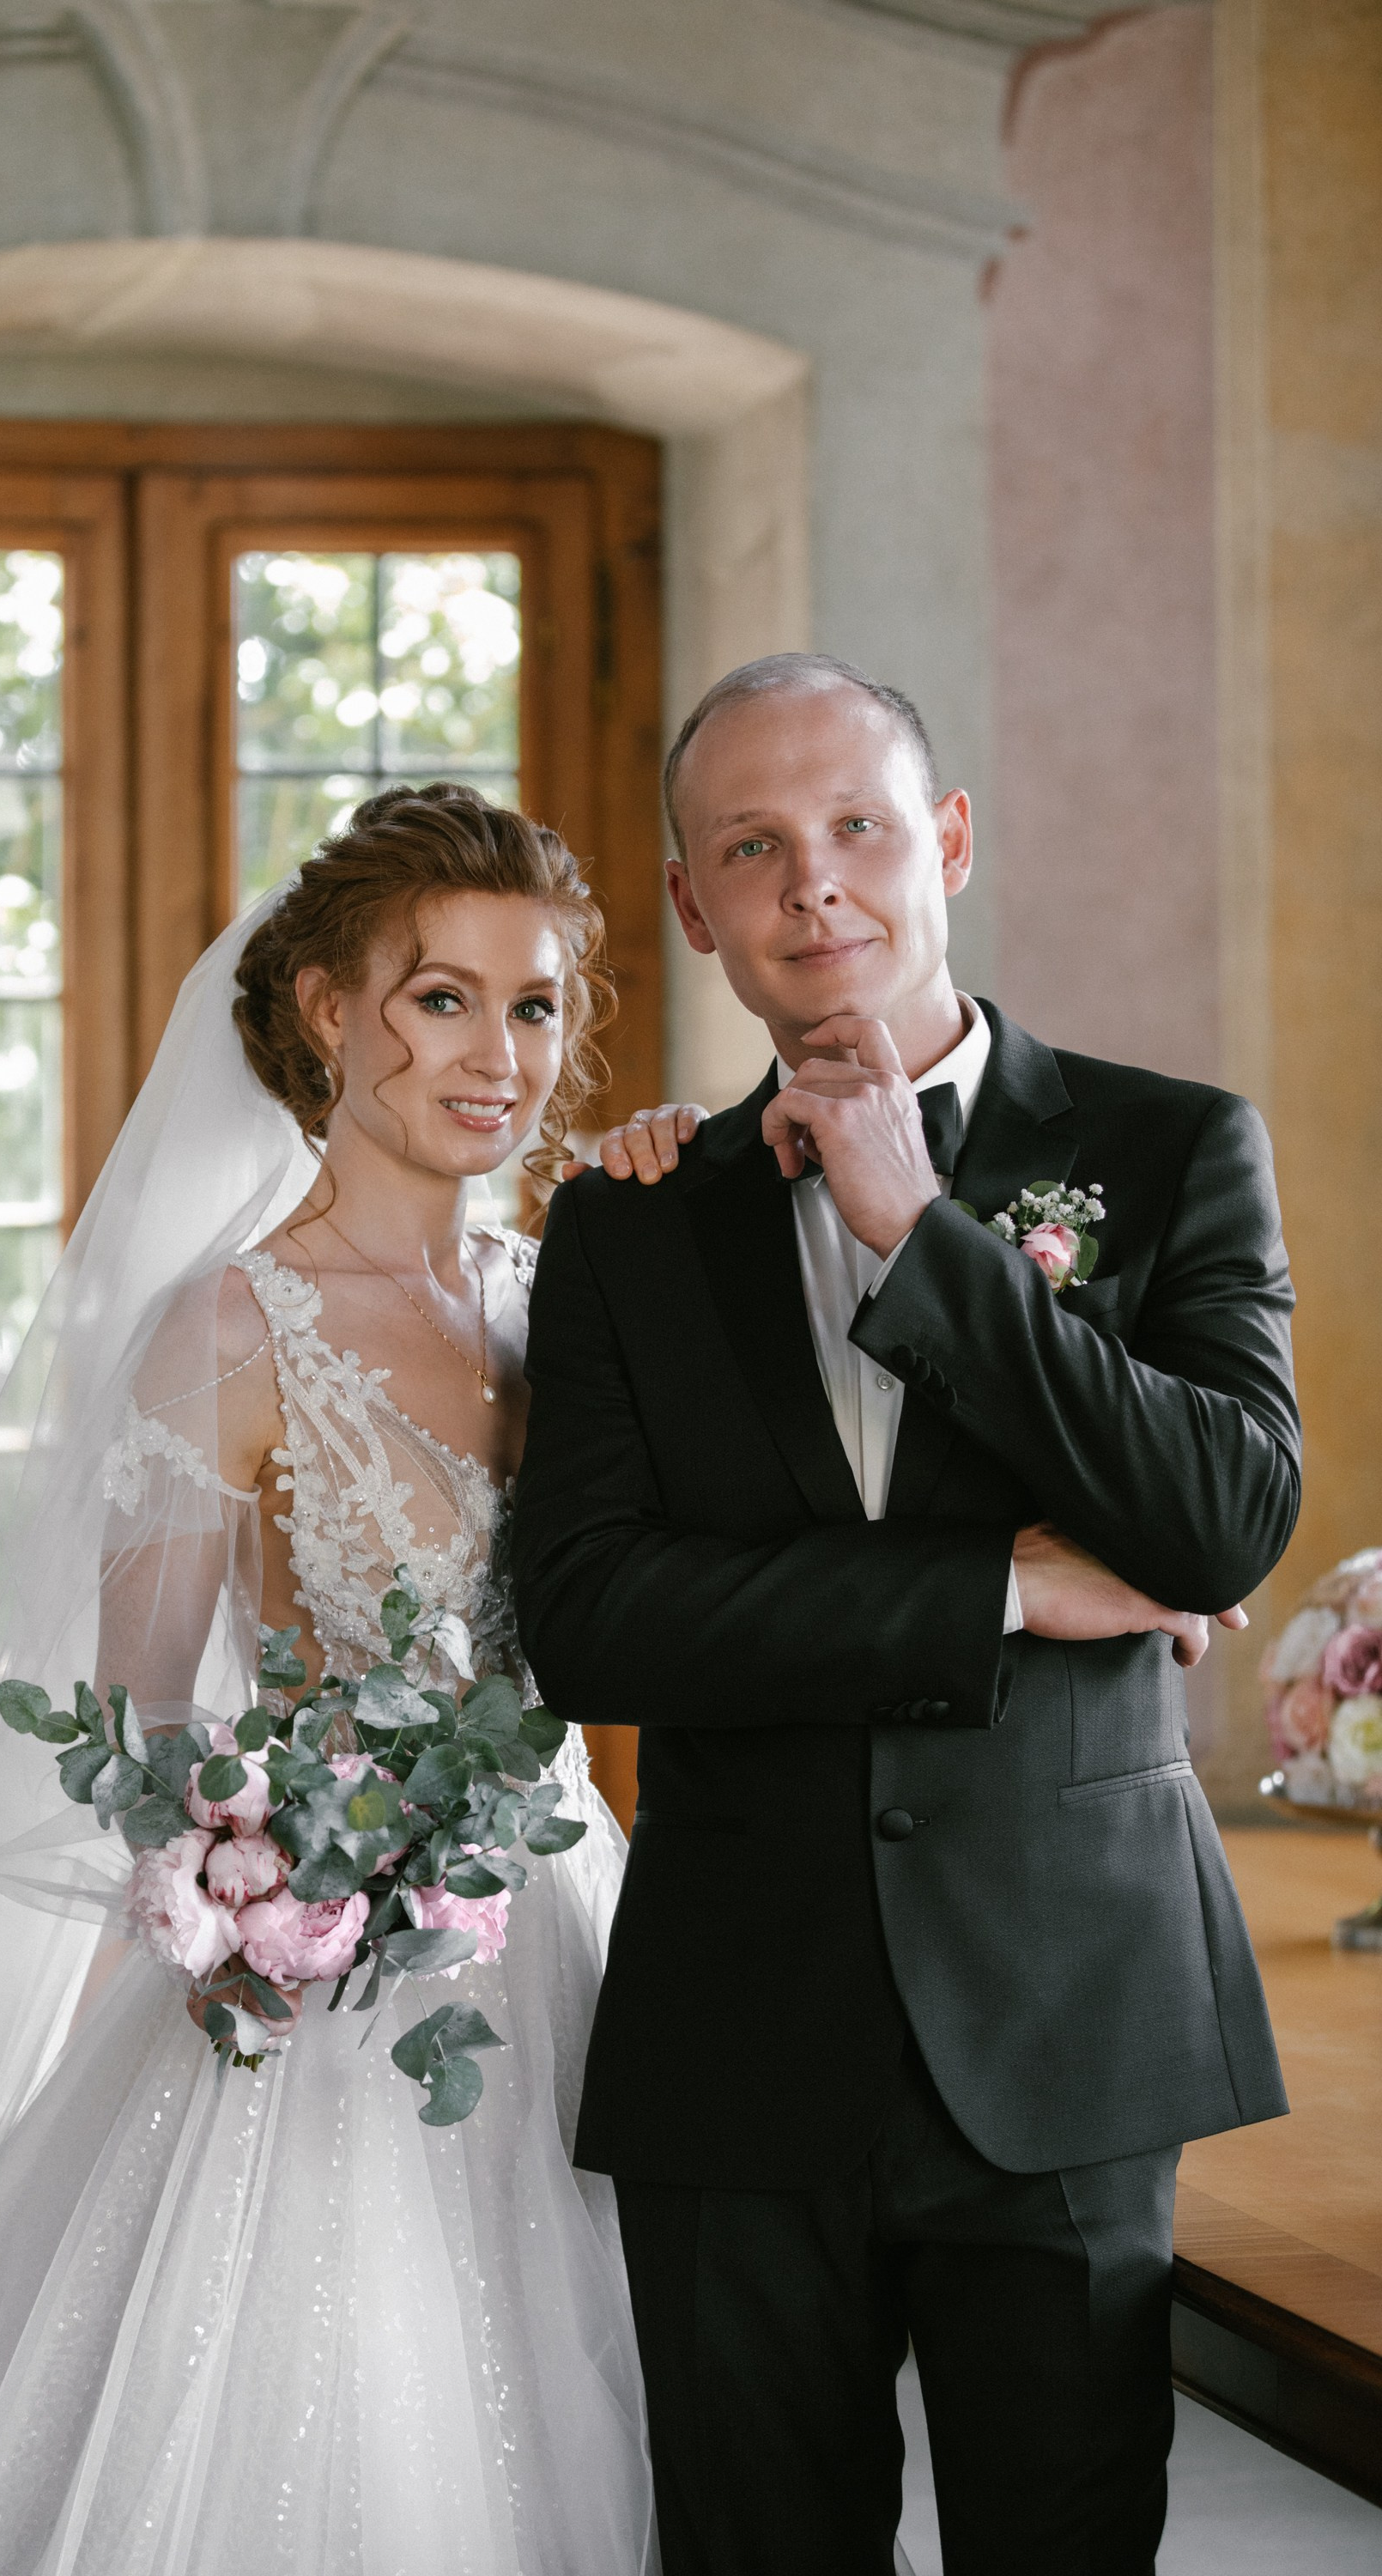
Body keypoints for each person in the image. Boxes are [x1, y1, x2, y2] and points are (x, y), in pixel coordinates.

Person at [0, 786, 662, 2576]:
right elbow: (137, 1740)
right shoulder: (230, 1327)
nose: (498, 1052)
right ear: (326, 1013)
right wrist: (280, 1859)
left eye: (533, 1006)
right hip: (334, 1987)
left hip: (583, 1936)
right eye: (441, 997)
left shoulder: (560, 1297)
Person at [512, 654, 1300, 2576]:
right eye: (752, 849)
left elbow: (1216, 1520)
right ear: (692, 907)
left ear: (944, 841)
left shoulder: (1171, 1147)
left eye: (858, 827)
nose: (815, 888)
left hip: (1070, 2013)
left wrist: (919, 1245)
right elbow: (596, 1620)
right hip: (740, 2028)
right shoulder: (626, 1218)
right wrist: (1004, 1590)